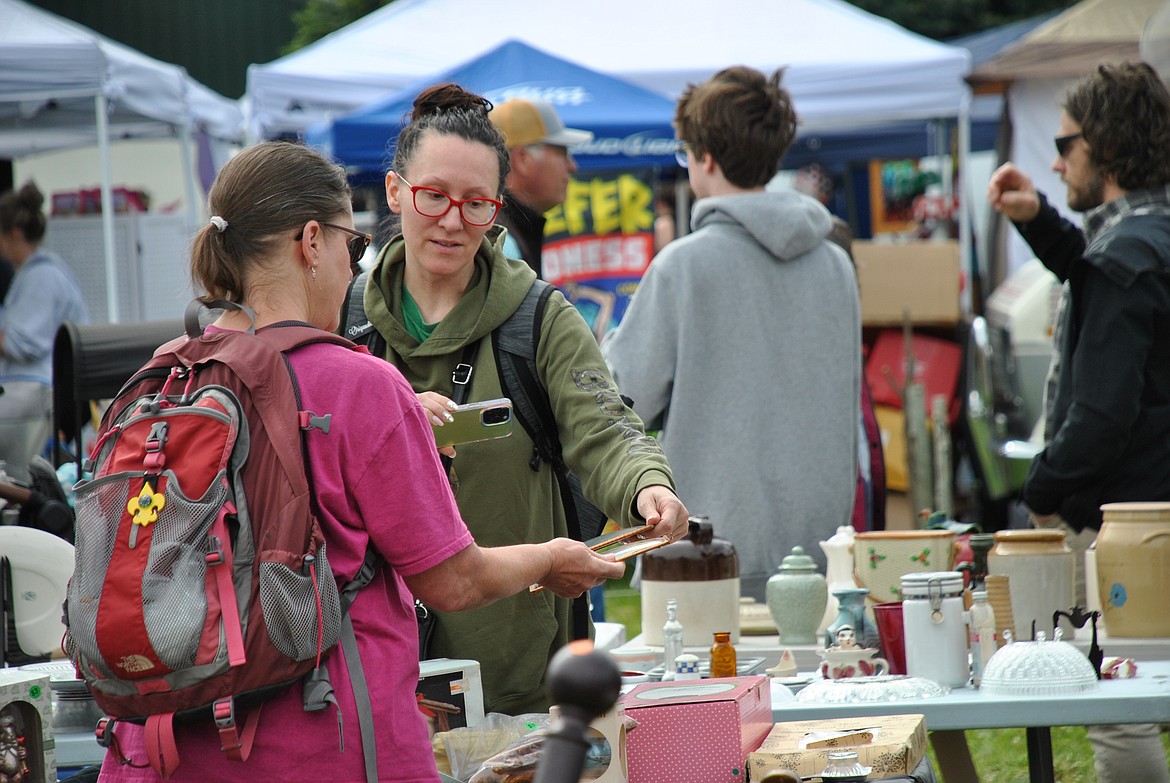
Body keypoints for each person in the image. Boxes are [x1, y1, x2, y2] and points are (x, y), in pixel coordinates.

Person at [97, 140, 628, 783]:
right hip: (316, 750)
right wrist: (551, 557)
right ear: (312, 241)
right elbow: (455, 581)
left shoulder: (164, 376)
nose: (354, 269)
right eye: (352, 247)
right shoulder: (360, 384)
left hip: (154, 751)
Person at [352, 84, 689, 715]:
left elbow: (605, 424)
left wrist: (647, 484)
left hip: (516, 671)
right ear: (396, 192)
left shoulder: (538, 320)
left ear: (497, 210)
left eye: (476, 203)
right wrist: (389, 409)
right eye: (434, 196)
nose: (453, 220)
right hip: (370, 675)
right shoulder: (343, 324)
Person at [602, 66, 861, 601]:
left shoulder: (683, 267)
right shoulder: (836, 266)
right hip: (819, 555)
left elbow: (618, 401)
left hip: (702, 557)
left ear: (707, 158)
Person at [987, 60, 1170, 783]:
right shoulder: (1143, 238)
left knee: (1120, 707)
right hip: (1153, 505)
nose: (1056, 160)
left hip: (1128, 519)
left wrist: (1039, 487)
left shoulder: (1125, 255)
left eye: (1066, 145)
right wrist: (1042, 223)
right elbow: (1104, 280)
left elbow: (1098, 415)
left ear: (1109, 149)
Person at [0, 182, 87, 482]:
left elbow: (21, 342)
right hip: (35, 399)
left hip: (36, 399)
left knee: (29, 481)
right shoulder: (38, 272)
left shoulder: (41, 277)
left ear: (13, 234)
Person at [488, 97, 592, 276]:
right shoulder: (501, 242)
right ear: (523, 159)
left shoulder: (503, 228)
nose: (573, 166)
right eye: (563, 153)